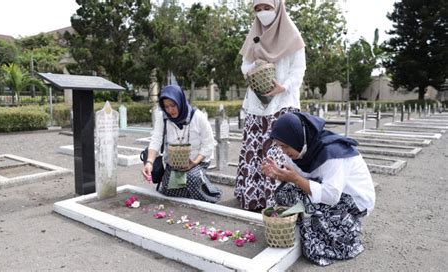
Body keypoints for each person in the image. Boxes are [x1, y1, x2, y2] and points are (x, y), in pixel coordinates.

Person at [262, 112, 376, 266]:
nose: (283, 151)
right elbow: (298, 178)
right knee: (284, 191)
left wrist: (294, 179)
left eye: (285, 146)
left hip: (354, 201)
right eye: (280, 146)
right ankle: (313, 222)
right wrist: (278, 174)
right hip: (328, 190)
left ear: (297, 138)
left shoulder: (333, 153)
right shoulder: (299, 147)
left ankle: (337, 237)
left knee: (305, 201)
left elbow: (331, 196)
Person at [235, 0, 306, 210]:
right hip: (257, 105)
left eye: (267, 8)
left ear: (278, 8)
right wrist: (254, 71)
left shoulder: (292, 35)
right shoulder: (255, 35)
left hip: (283, 104)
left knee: (278, 153)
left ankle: (278, 203)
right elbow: (245, 64)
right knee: (254, 151)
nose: (262, 13)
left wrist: (282, 87)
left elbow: (298, 70)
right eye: (258, 9)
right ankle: (254, 199)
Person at [141, 85, 222, 203]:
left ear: (180, 101)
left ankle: (209, 194)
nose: (170, 110)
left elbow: (208, 144)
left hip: (197, 160)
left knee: (191, 178)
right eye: (166, 106)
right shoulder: (163, 117)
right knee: (168, 188)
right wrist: (149, 162)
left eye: (173, 105)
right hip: (174, 162)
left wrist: (194, 163)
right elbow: (156, 140)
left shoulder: (197, 116)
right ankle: (196, 189)